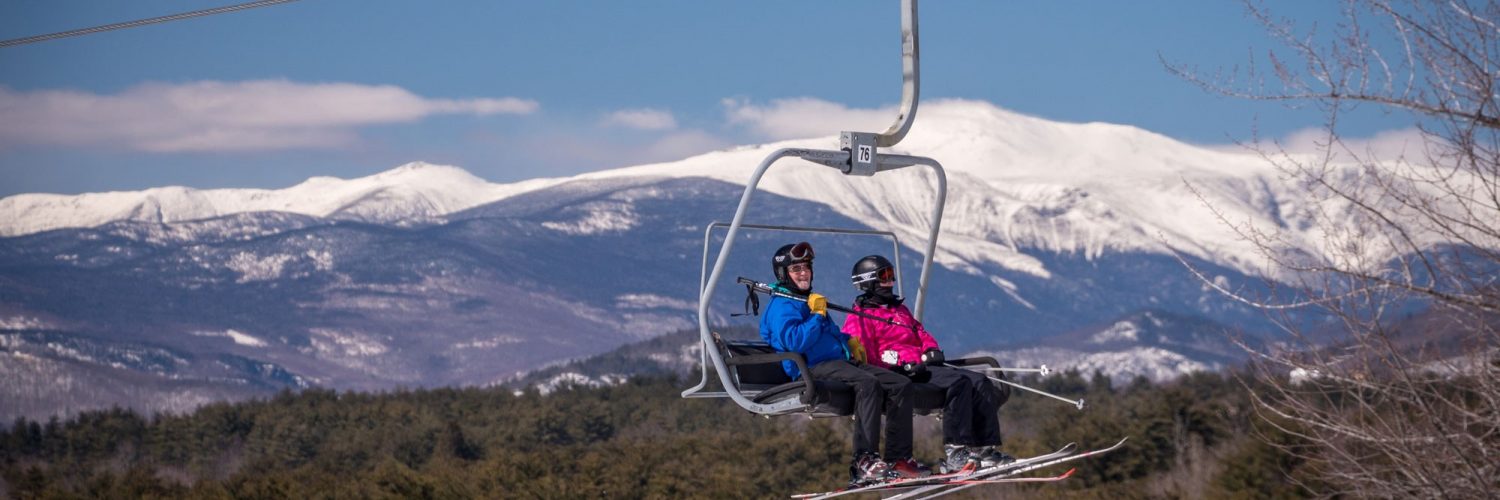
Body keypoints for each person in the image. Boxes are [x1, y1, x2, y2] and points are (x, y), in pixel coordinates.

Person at [758, 242, 931, 487]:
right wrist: (817, 315)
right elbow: (794, 342)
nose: (803, 273)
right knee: (867, 383)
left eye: (806, 267)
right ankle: (864, 460)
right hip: (810, 368)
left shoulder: (806, 299)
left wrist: (848, 342)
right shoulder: (783, 305)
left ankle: (898, 458)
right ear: (783, 274)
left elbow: (828, 335)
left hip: (838, 362)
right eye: (796, 269)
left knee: (899, 384)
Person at [841, 255, 1015, 473]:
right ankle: (956, 451)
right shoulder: (860, 317)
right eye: (884, 276)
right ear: (868, 281)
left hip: (922, 366)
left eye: (892, 275)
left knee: (980, 381)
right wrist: (901, 365)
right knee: (959, 382)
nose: (890, 281)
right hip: (900, 372)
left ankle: (983, 449)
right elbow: (864, 354)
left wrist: (930, 349)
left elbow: (920, 333)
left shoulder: (899, 310)